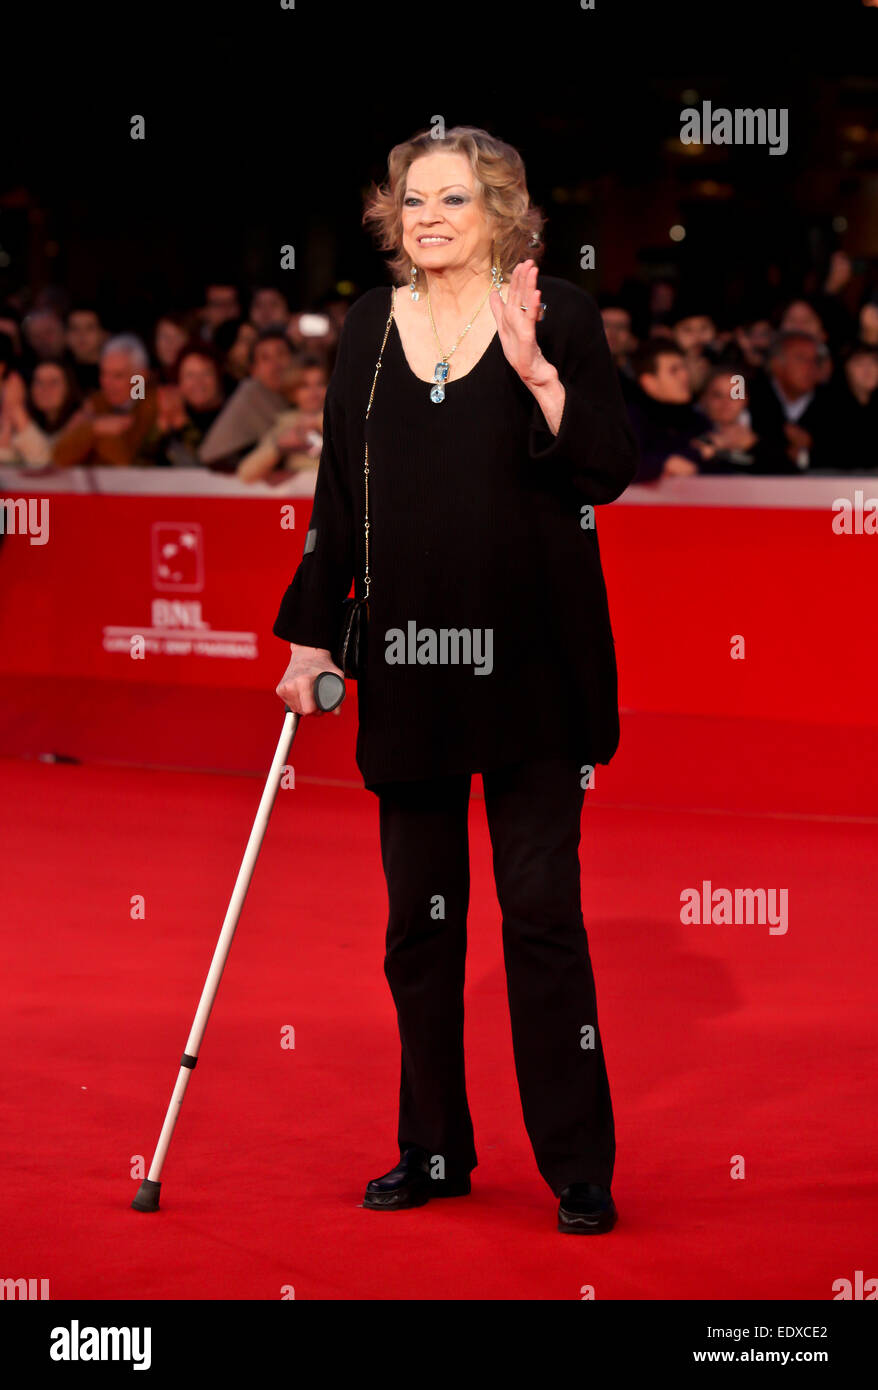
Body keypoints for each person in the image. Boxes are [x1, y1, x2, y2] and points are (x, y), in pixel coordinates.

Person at [273, 126, 638, 1235]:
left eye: (453, 199)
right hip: (410, 666)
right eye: (411, 200)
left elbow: (609, 469)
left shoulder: (556, 314)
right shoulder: (368, 333)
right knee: (420, 925)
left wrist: (534, 372)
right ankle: (431, 1146)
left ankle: (576, 1164)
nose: (427, 216)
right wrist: (309, 638)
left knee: (537, 913)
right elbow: (341, 495)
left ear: (500, 211)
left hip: (532, 667)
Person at [52, 334, 160, 468]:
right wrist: (95, 427)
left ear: (140, 377)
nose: (107, 383)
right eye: (104, 373)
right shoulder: (96, 401)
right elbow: (59, 458)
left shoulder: (155, 404)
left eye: (118, 375)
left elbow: (127, 465)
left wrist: (95, 430)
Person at [198, 328, 294, 472]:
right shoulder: (252, 394)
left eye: (281, 354)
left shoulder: (302, 391)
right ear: (253, 371)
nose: (276, 365)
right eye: (265, 358)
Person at [747, 331, 836, 471]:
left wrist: (809, 449)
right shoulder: (751, 398)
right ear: (776, 364)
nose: (810, 367)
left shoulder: (835, 402)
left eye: (815, 360)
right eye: (801, 359)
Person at [237, 354, 327, 483]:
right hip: (301, 498)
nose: (314, 392)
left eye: (320, 384)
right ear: (292, 391)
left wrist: (317, 422)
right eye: (304, 386)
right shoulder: (287, 424)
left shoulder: (341, 420)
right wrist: (279, 447)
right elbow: (245, 474)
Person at [626, 338, 705, 480]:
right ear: (649, 382)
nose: (684, 375)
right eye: (673, 371)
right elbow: (619, 466)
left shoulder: (697, 419)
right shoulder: (629, 421)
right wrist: (663, 464)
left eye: (684, 368)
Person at [155, 344, 226, 467]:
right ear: (179, 382)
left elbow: (212, 466)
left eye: (206, 373)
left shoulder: (233, 415)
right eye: (190, 375)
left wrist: (184, 426)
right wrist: (159, 430)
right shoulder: (172, 413)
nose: (198, 382)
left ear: (218, 377)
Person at [0, 358, 80, 466]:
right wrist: (7, 421)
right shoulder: (29, 423)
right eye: (39, 382)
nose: (45, 388)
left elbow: (47, 465)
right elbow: (5, 466)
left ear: (69, 387)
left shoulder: (80, 422)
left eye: (53, 382)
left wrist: (16, 410)